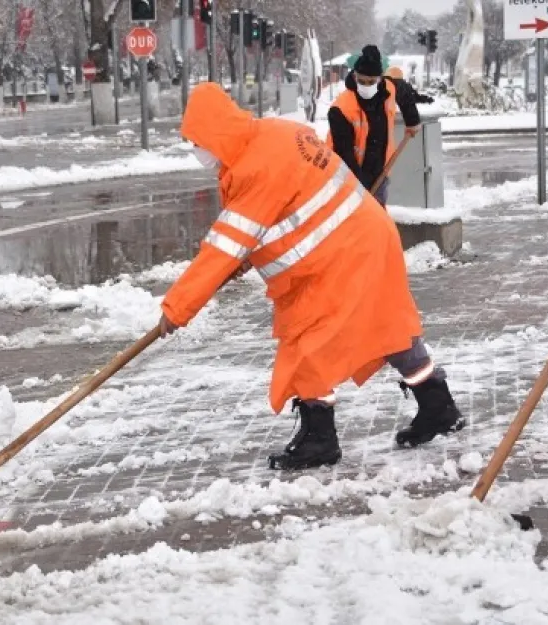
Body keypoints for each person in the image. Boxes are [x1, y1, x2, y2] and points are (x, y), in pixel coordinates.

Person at [158, 82, 465, 471]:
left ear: (214, 133)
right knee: (388, 326)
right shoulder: (275, 133)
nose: (197, 151)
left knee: (305, 341)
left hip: (336, 258)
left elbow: (226, 244)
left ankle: (320, 439)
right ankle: (438, 406)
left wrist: (178, 306)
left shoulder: (256, 168)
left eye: (196, 141)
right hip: (366, 238)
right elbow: (280, 213)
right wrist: (242, 261)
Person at [327, 45, 422, 207]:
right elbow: (344, 153)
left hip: (380, 173)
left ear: (380, 79)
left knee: (375, 222)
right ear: (355, 76)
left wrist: (412, 120)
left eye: (371, 82)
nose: (365, 85)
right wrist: (360, 187)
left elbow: (404, 91)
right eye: (361, 81)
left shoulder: (389, 89)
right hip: (345, 175)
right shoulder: (341, 108)